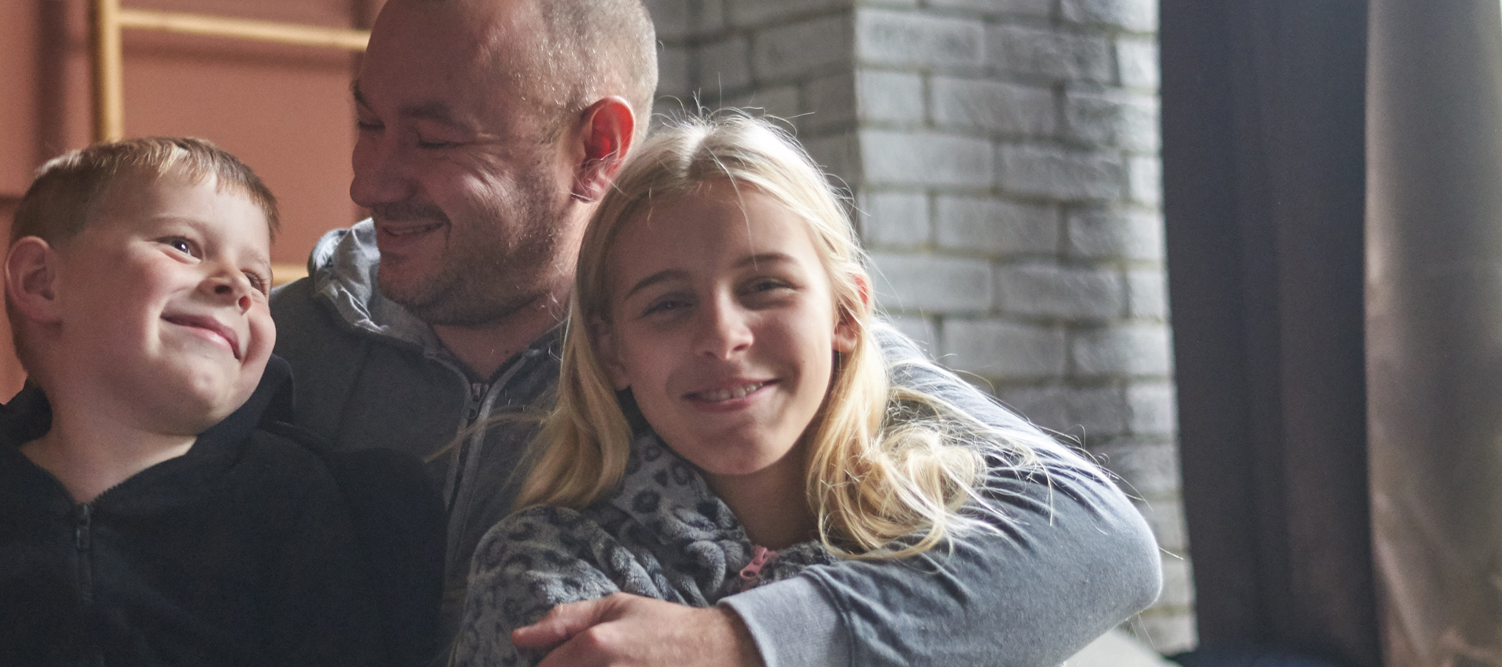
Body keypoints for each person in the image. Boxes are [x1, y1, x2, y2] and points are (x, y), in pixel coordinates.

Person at [270, 0, 1162, 664]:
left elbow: (1099, 539)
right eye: (369, 121)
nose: (370, 177)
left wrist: (736, 641)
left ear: (596, 146)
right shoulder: (267, 345)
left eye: (434, 140)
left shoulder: (731, 355)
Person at [453, 113, 1160, 666]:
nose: (722, 334)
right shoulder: (548, 567)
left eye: (765, 286)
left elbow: (1118, 547)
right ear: (612, 350)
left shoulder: (953, 524)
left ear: (848, 316)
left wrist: (740, 643)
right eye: (667, 304)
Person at [0, 137, 441, 667]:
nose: (235, 285)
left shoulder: (293, 501)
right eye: (183, 245)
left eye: (258, 280)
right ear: (42, 282)